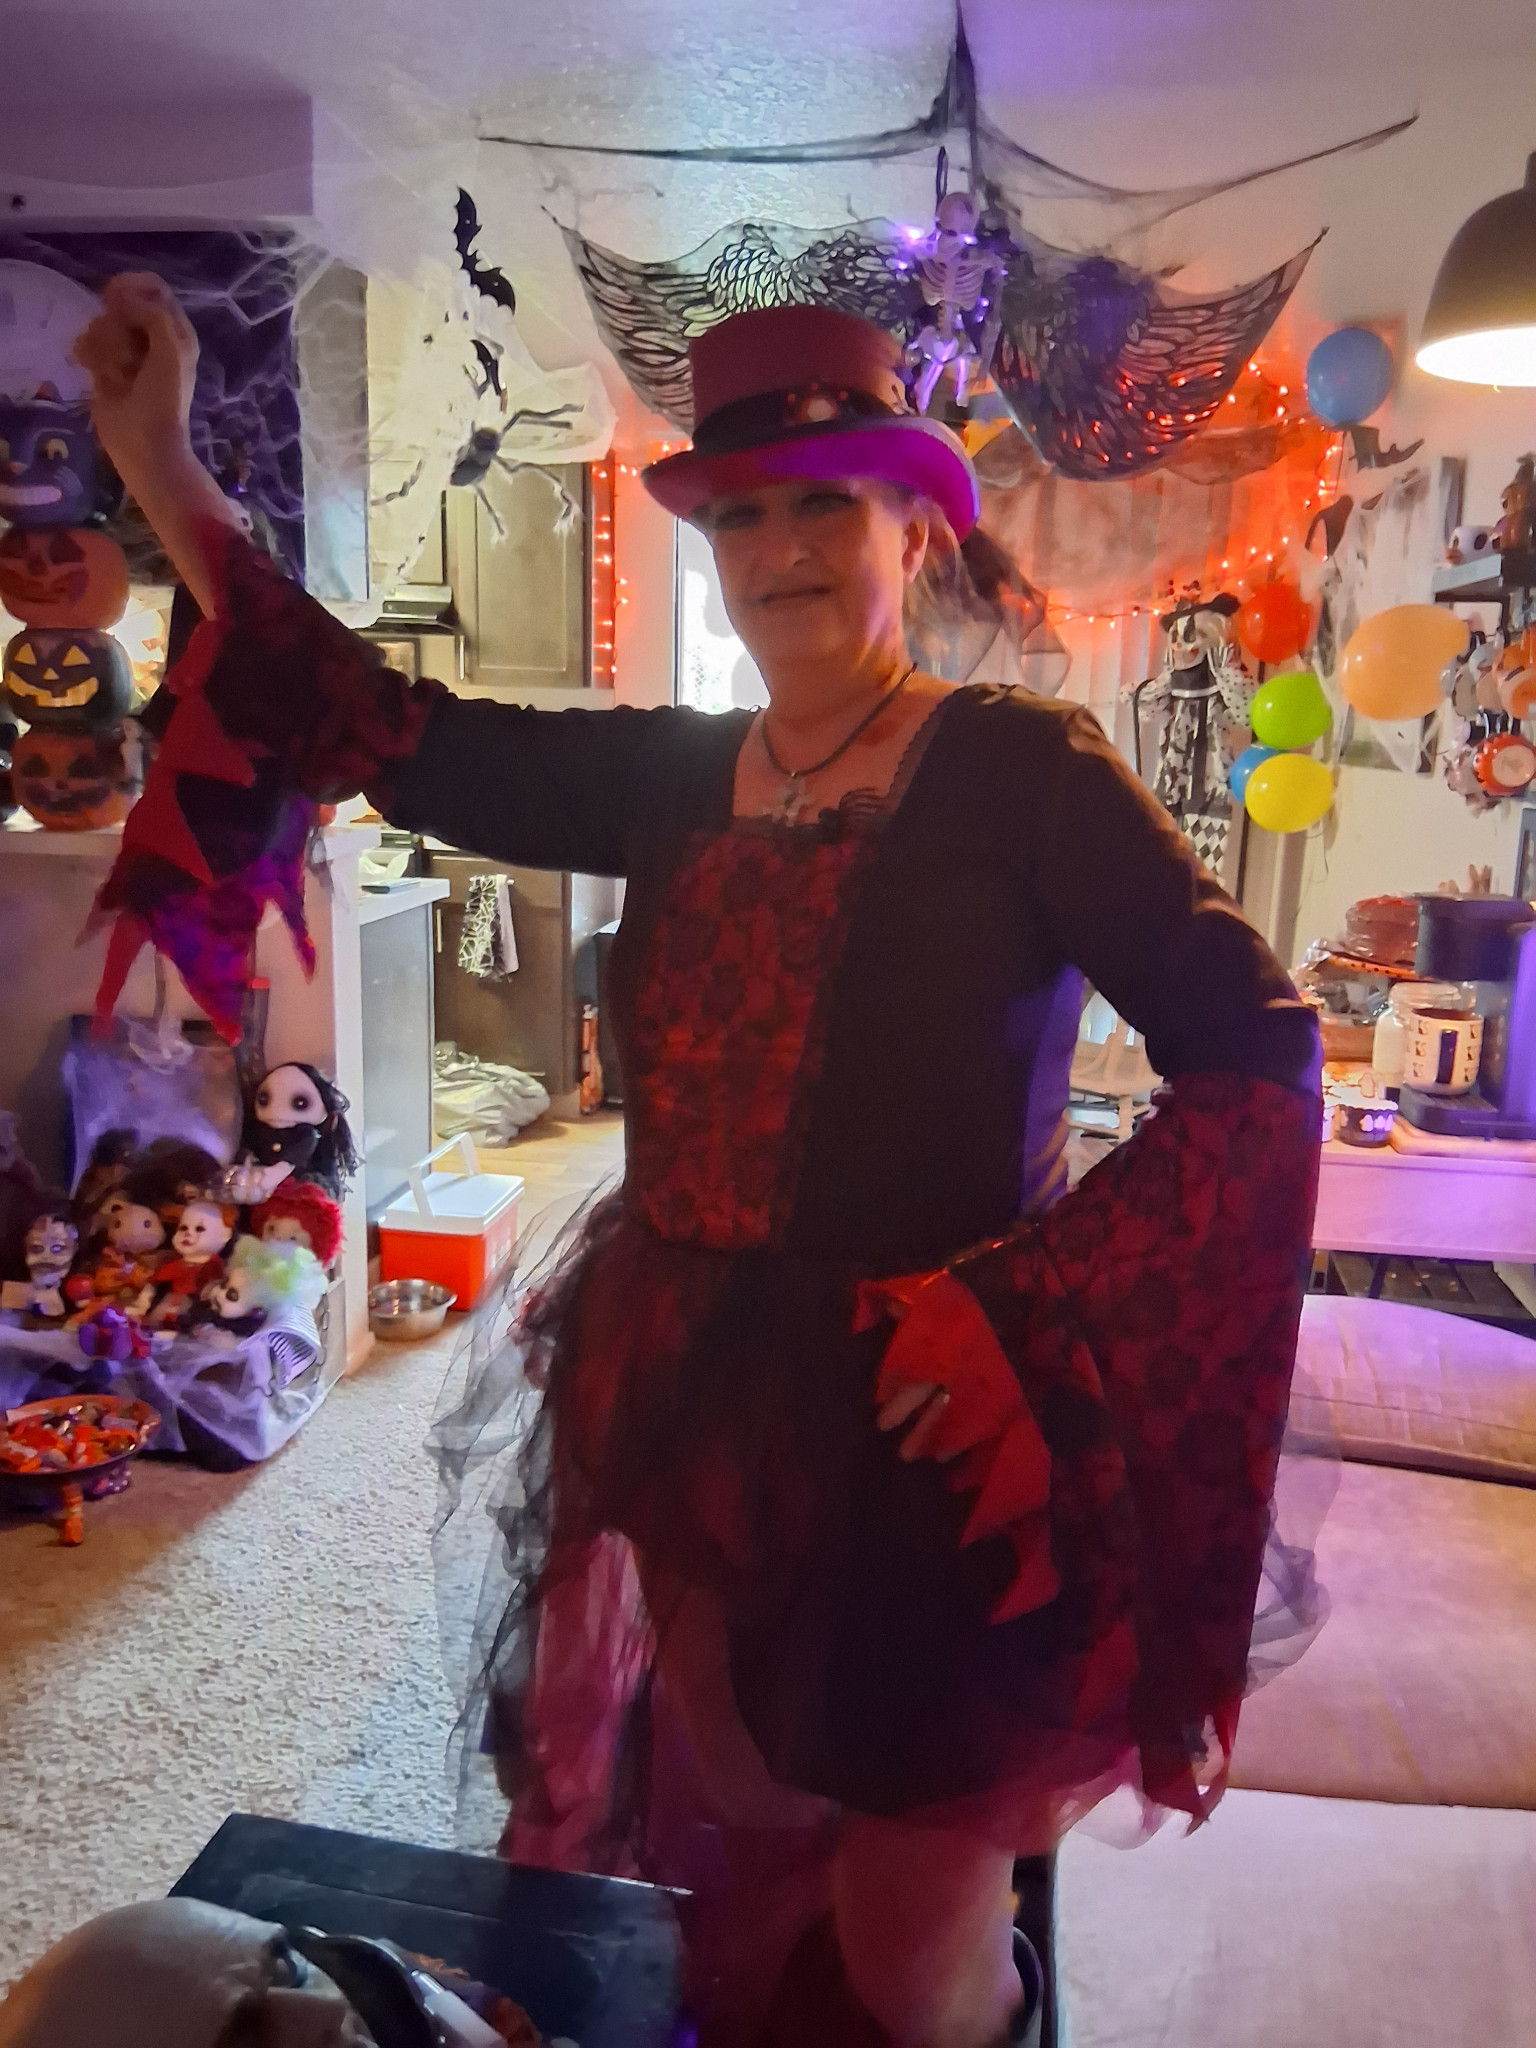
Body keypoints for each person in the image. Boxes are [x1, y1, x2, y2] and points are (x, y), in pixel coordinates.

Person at [76, 280, 1323, 2048]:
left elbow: (1260, 1052)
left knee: (914, 1943)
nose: (780, 550)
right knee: (736, 1848)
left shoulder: (1021, 769)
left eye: (826, 503)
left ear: (913, 524)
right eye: (740, 515)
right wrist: (162, 467)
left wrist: (1025, 1304)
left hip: (930, 1426)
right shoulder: (668, 775)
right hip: (693, 1399)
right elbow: (375, 720)